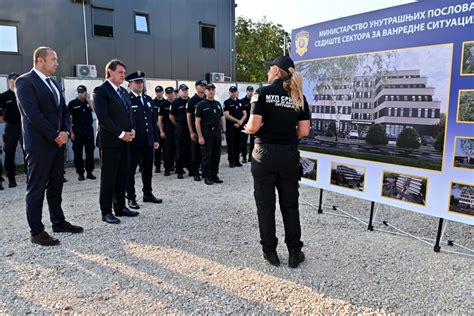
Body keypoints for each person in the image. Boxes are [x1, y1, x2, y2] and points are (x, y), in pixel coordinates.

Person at [243, 55, 310, 268]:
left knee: (265, 206)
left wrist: (247, 129)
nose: (267, 71)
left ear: (275, 71)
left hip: (264, 154)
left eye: (269, 68)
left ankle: (270, 252)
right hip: (289, 154)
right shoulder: (299, 95)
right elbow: (304, 131)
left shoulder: (261, 93)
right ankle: (294, 253)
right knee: (290, 205)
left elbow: (253, 127)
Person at [16, 46, 83, 246]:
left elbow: (63, 110)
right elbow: (32, 114)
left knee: (56, 184)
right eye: (53, 59)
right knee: (36, 187)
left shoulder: (53, 83)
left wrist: (64, 131)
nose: (57, 63)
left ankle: (58, 221)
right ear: (39, 60)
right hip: (39, 145)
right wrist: (54, 135)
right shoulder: (24, 82)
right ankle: (36, 231)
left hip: (57, 143)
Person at [93, 59, 139, 224]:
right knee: (109, 177)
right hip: (110, 142)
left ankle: (120, 206)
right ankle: (106, 211)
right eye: (120, 72)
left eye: (124, 73)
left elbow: (129, 114)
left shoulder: (123, 91)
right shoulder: (101, 91)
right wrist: (121, 134)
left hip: (125, 140)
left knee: (123, 174)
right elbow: (103, 117)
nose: (123, 76)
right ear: (109, 72)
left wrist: (131, 129)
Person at [125, 71, 162, 210]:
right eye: (137, 82)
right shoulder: (127, 99)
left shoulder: (148, 99)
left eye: (141, 82)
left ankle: (147, 193)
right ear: (130, 84)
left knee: (147, 169)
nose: (140, 84)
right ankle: (131, 197)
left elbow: (153, 122)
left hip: (148, 141)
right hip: (133, 142)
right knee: (130, 171)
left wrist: (156, 139)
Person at [0, 72, 27, 188]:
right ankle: (11, 178)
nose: (15, 80)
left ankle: (30, 176)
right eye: (12, 79)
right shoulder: (3, 96)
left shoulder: (24, 94)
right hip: (11, 127)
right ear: (9, 81)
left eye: (17, 78)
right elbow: (1, 115)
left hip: (25, 126)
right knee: (9, 152)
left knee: (28, 151)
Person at [195, 83, 225, 185]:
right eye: (209, 89)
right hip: (206, 132)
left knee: (216, 154)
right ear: (205, 91)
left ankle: (214, 174)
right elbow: (197, 122)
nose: (211, 91)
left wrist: (223, 131)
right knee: (207, 155)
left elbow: (221, 118)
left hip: (217, 131)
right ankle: (206, 176)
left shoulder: (217, 104)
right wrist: (200, 136)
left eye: (213, 89)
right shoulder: (201, 105)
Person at [67, 85, 96, 181]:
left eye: (82, 92)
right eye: (79, 92)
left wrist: (88, 100)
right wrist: (71, 133)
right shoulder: (72, 103)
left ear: (85, 93)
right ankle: (80, 173)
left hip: (88, 130)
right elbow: (69, 120)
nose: (80, 94)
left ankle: (90, 172)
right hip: (77, 130)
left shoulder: (88, 102)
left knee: (90, 152)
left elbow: (93, 110)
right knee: (78, 153)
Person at [186, 79, 207, 181]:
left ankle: (205, 171)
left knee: (206, 153)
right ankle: (195, 172)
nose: (203, 87)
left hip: (206, 130)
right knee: (196, 153)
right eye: (201, 85)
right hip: (196, 130)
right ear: (196, 87)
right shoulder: (192, 101)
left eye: (204, 85)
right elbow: (189, 117)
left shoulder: (208, 98)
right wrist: (191, 131)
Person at [170, 84, 191, 179]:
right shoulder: (175, 103)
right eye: (183, 90)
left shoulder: (191, 101)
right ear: (179, 92)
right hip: (180, 129)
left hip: (190, 129)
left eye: (186, 90)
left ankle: (191, 169)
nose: (185, 91)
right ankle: (179, 171)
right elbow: (171, 116)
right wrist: (178, 125)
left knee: (190, 150)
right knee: (179, 151)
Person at [223, 85, 246, 168]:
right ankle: (231, 161)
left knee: (238, 144)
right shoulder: (227, 102)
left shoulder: (240, 102)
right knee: (231, 145)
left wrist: (240, 122)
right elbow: (226, 115)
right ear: (229, 93)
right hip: (231, 127)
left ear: (237, 92)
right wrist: (237, 121)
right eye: (232, 91)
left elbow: (245, 114)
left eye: (235, 91)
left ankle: (237, 160)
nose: (233, 93)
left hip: (239, 127)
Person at [158, 87, 176, 176]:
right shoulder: (163, 105)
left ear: (174, 93)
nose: (170, 94)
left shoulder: (177, 103)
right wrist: (161, 131)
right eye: (168, 93)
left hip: (177, 128)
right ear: (166, 94)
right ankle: (167, 168)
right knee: (167, 150)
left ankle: (177, 167)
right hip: (167, 129)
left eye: (171, 92)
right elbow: (160, 120)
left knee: (178, 149)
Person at [153, 85, 166, 173]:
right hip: (156, 128)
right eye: (157, 91)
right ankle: (157, 166)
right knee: (157, 148)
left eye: (160, 91)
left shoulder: (166, 102)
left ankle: (167, 165)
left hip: (166, 128)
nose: (159, 93)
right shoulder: (152, 102)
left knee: (166, 148)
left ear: (163, 92)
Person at [240, 86, 254, 163]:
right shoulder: (242, 101)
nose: (250, 92)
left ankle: (251, 157)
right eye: (249, 90)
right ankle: (244, 157)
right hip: (245, 124)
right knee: (243, 141)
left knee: (253, 141)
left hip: (253, 123)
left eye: (251, 90)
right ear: (246, 91)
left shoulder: (255, 101)